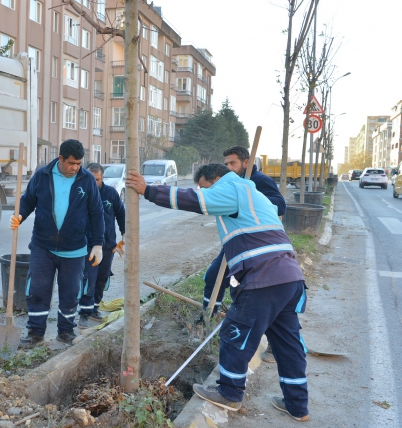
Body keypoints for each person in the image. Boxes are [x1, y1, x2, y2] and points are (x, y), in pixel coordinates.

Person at [126, 164, 309, 422]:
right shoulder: (252, 193)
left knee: (235, 331)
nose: (203, 191)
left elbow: (196, 201)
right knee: (287, 341)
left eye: (204, 186)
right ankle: (298, 405)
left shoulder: (231, 189)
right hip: (289, 277)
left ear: (215, 179)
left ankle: (229, 392)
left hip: (263, 278)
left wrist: (149, 191)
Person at [11, 140, 104, 348]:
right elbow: (28, 200)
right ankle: (35, 333)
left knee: (70, 293)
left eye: (79, 163)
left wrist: (98, 244)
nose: (75, 167)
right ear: (60, 158)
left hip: (75, 248)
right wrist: (20, 215)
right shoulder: (43, 176)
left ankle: (65, 331)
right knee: (37, 290)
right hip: (43, 246)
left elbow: (96, 212)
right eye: (71, 163)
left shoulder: (86, 180)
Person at [205, 146, 287, 364]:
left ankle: (272, 345)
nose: (229, 167)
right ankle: (207, 317)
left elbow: (281, 205)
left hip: (259, 244)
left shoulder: (259, 181)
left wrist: (254, 199)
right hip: (236, 241)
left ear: (246, 162)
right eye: (227, 164)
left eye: (233, 163)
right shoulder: (232, 183)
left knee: (263, 299)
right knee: (214, 276)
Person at [78, 163, 125, 328]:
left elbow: (121, 213)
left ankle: (95, 307)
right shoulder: (81, 193)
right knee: (89, 278)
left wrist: (125, 233)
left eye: (97, 179)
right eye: (91, 179)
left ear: (102, 178)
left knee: (102, 278)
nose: (94, 182)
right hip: (89, 245)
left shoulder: (111, 193)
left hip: (108, 245)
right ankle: (84, 312)